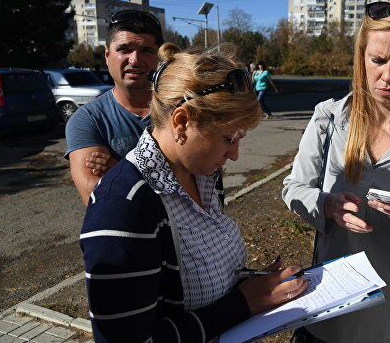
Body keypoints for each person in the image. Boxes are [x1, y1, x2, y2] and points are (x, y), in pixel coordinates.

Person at [80, 43, 308, 342]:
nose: (235, 155)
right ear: (182, 122)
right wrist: (243, 303)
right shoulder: (123, 207)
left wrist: (253, 285)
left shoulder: (203, 176)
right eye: (229, 138)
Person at [282, 1, 390, 342]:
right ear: (361, 55)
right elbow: (294, 188)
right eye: (377, 60)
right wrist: (328, 206)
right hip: (328, 316)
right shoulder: (329, 118)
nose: (388, 75)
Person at [65, 10, 163, 205]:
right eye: (124, 49)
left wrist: (122, 170)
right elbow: (98, 200)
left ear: (158, 58)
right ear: (108, 55)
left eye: (146, 51)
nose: (134, 60)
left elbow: (200, 182)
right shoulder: (87, 120)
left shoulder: (180, 109)